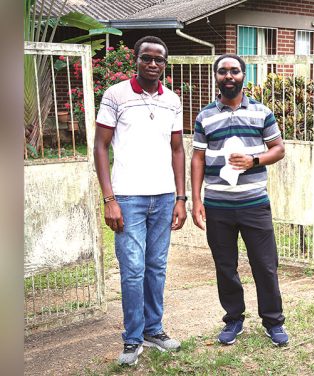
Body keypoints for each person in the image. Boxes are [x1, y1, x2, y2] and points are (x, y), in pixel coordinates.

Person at [93, 35, 187, 366]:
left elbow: (178, 149)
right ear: (136, 59)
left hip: (163, 198)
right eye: (146, 58)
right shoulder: (115, 95)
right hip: (128, 197)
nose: (152, 64)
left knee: (156, 267)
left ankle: (154, 330)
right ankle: (132, 339)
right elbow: (101, 146)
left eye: (159, 59)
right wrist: (109, 199)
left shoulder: (172, 100)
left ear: (165, 64)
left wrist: (181, 197)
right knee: (133, 270)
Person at [191, 54, 289, 347]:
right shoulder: (205, 116)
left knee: (265, 265)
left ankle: (273, 321)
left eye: (235, 71)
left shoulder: (262, 112)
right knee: (225, 265)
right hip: (218, 206)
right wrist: (196, 199)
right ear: (216, 77)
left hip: (254, 204)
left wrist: (253, 159)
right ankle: (234, 319)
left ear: (244, 76)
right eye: (223, 72)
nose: (229, 76)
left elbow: (279, 149)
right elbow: (197, 158)